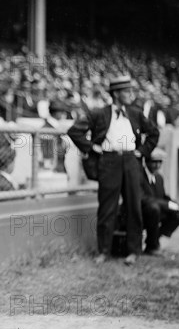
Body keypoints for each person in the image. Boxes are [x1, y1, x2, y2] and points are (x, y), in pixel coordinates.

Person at [68, 75, 159, 265]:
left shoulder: (136, 113)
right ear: (116, 94)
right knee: (107, 208)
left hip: (131, 161)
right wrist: (92, 148)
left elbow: (153, 133)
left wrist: (141, 152)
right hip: (109, 161)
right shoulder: (99, 113)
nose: (131, 95)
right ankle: (104, 251)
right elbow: (75, 131)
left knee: (134, 206)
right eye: (127, 91)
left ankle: (133, 251)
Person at [141, 148, 179, 255]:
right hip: (143, 212)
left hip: (157, 210)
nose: (157, 165)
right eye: (154, 162)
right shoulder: (139, 176)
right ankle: (152, 246)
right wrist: (167, 204)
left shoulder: (158, 177)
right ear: (147, 161)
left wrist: (174, 204)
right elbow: (142, 198)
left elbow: (162, 196)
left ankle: (154, 239)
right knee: (154, 208)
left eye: (159, 162)